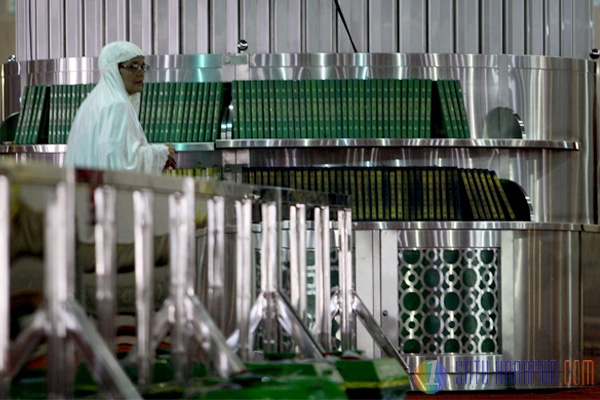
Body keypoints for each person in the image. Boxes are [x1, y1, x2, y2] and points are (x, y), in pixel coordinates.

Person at [64, 40, 175, 173]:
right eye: (133, 66)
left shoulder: (91, 103)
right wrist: (162, 152)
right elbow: (120, 167)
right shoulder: (117, 105)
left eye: (142, 66)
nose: (140, 73)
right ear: (114, 70)